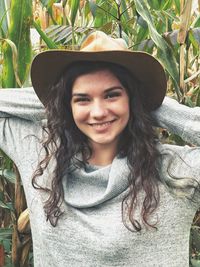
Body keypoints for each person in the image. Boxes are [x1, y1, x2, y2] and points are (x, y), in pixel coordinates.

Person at [0, 31, 200, 267]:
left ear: (131, 98)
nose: (98, 112)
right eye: (82, 99)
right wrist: (58, 102)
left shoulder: (176, 172)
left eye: (112, 95)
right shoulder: (40, 154)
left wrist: (147, 104)